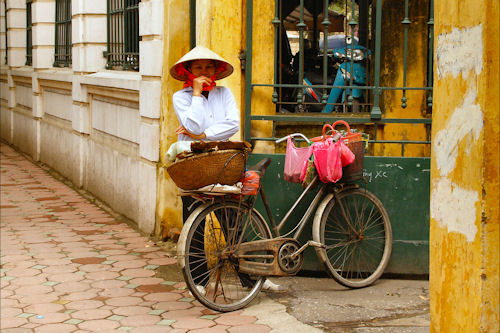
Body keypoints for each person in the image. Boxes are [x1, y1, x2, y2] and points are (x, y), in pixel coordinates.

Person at [170, 45, 284, 293]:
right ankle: (198, 281)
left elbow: (232, 124)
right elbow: (192, 122)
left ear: (216, 70)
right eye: (198, 67)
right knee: (195, 223)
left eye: (208, 67)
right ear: (189, 71)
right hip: (194, 165)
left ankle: (251, 279)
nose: (204, 71)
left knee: (232, 223)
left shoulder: (225, 93)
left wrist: (201, 135)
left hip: (222, 163)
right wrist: (197, 95)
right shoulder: (181, 97)